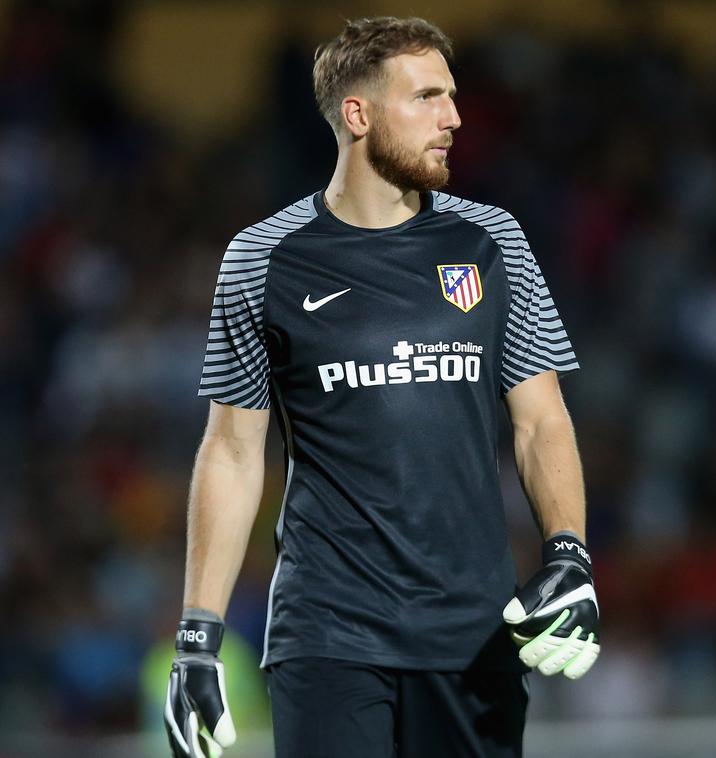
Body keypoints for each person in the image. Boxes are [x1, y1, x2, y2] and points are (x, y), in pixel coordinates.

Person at [163, 16, 599, 758]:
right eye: (427, 97)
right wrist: (198, 638)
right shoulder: (262, 259)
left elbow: (540, 421)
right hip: (327, 632)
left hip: (474, 635)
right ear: (357, 115)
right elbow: (233, 451)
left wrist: (569, 554)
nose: (454, 118)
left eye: (452, 97)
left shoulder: (492, 241)